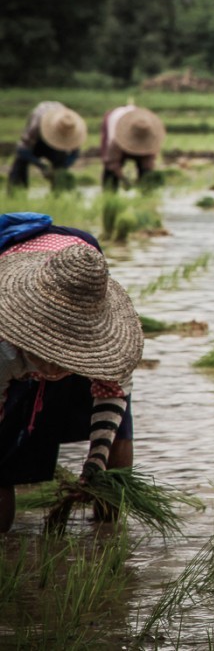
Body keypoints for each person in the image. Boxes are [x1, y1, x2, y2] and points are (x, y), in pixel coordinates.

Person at [0, 212, 144, 533]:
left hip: (79, 275)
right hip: (30, 276)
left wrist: (94, 466)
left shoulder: (111, 344)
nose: (55, 369)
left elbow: (112, 397)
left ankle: (107, 532)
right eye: (49, 357)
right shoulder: (5, 347)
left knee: (118, 436)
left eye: (66, 359)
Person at [7, 102, 86, 191]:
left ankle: (58, 193)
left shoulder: (73, 127)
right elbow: (22, 150)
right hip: (36, 142)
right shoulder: (36, 125)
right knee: (20, 163)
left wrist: (63, 168)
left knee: (60, 163)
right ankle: (16, 192)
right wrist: (42, 166)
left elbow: (75, 153)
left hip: (55, 146)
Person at [99, 104, 166, 190]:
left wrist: (145, 178)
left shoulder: (149, 136)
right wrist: (124, 179)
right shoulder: (117, 138)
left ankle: (146, 193)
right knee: (110, 175)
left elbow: (148, 163)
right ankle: (108, 193)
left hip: (141, 137)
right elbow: (112, 163)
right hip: (118, 140)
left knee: (146, 174)